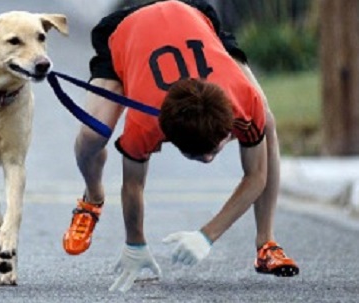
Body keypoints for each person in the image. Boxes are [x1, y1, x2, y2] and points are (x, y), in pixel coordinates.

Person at [61, 0, 299, 292]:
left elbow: (256, 176)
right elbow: (132, 185)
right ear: (167, 137)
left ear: (228, 127)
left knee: (267, 122)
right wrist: (135, 245)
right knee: (91, 136)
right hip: (126, 30)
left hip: (193, 16)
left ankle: (267, 244)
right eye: (200, 155)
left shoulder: (244, 100)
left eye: (215, 148)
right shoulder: (144, 125)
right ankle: (92, 198)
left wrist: (207, 235)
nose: (211, 158)